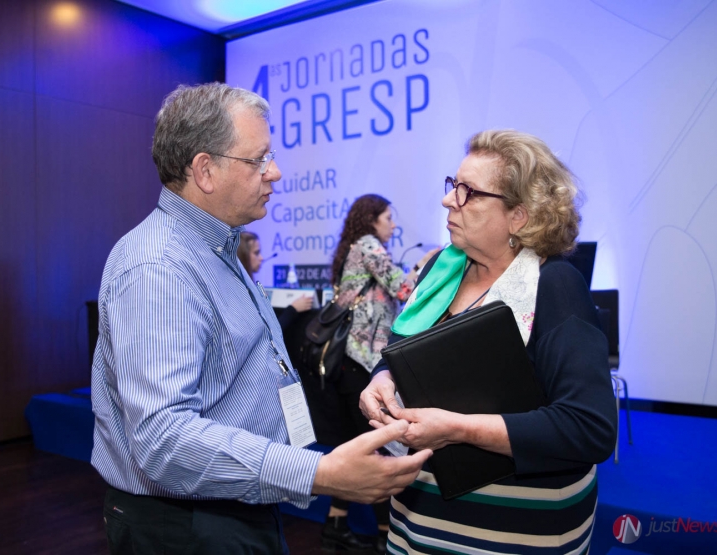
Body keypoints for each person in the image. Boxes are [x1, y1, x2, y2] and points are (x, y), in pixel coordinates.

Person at [90, 83, 432, 555]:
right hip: (188, 526)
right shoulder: (160, 267)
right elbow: (163, 439)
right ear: (205, 171)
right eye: (259, 159)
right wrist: (319, 472)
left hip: (232, 506)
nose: (275, 171)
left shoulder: (217, 247)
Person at [360, 130, 618, 555]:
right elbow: (399, 346)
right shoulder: (441, 269)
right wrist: (382, 377)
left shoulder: (555, 286)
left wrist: (458, 429)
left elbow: (589, 429)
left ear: (518, 216)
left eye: (469, 192)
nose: (448, 200)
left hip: (516, 529)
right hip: (417, 518)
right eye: (453, 185)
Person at [321, 194, 438, 554]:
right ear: (372, 219)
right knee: (378, 451)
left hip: (351, 364)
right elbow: (404, 289)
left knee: (359, 445)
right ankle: (386, 536)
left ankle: (335, 526)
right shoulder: (369, 244)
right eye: (388, 217)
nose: (393, 224)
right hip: (361, 363)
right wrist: (425, 264)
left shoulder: (355, 246)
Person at [237, 231, 313, 330]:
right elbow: (267, 332)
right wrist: (293, 309)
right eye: (256, 253)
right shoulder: (240, 292)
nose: (261, 258)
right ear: (243, 256)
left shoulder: (250, 287)